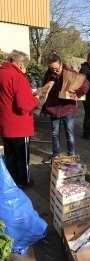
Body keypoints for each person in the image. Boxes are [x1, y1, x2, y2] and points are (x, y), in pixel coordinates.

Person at [0, 50, 39, 188]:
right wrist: (36, 99)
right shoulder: (17, 77)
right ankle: (24, 182)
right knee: (22, 159)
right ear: (20, 64)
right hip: (19, 127)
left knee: (10, 157)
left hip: (5, 125)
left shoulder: (2, 73)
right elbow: (23, 106)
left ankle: (12, 183)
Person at [42, 53, 90, 164]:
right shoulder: (49, 74)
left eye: (56, 68)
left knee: (69, 132)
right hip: (53, 108)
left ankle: (71, 156)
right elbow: (45, 87)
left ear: (61, 64)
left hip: (68, 108)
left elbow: (86, 83)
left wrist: (77, 93)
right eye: (51, 68)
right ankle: (55, 155)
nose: (54, 70)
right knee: (54, 133)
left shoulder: (70, 73)